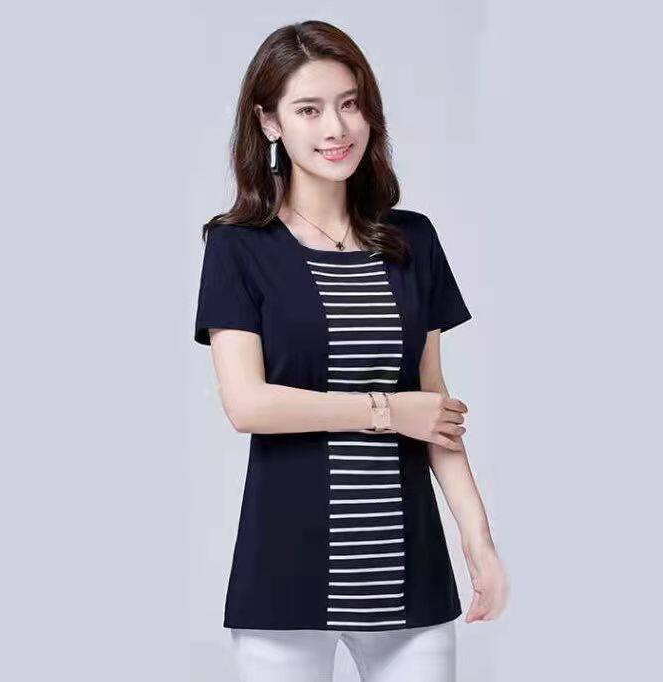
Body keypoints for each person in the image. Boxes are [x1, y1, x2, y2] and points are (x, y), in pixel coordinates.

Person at [193, 19, 508, 682]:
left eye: (350, 103)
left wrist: (478, 541)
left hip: (408, 570)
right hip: (285, 573)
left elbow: (436, 410)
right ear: (270, 122)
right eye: (309, 109)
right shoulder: (237, 246)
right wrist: (387, 411)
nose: (336, 128)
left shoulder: (412, 240)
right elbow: (247, 404)